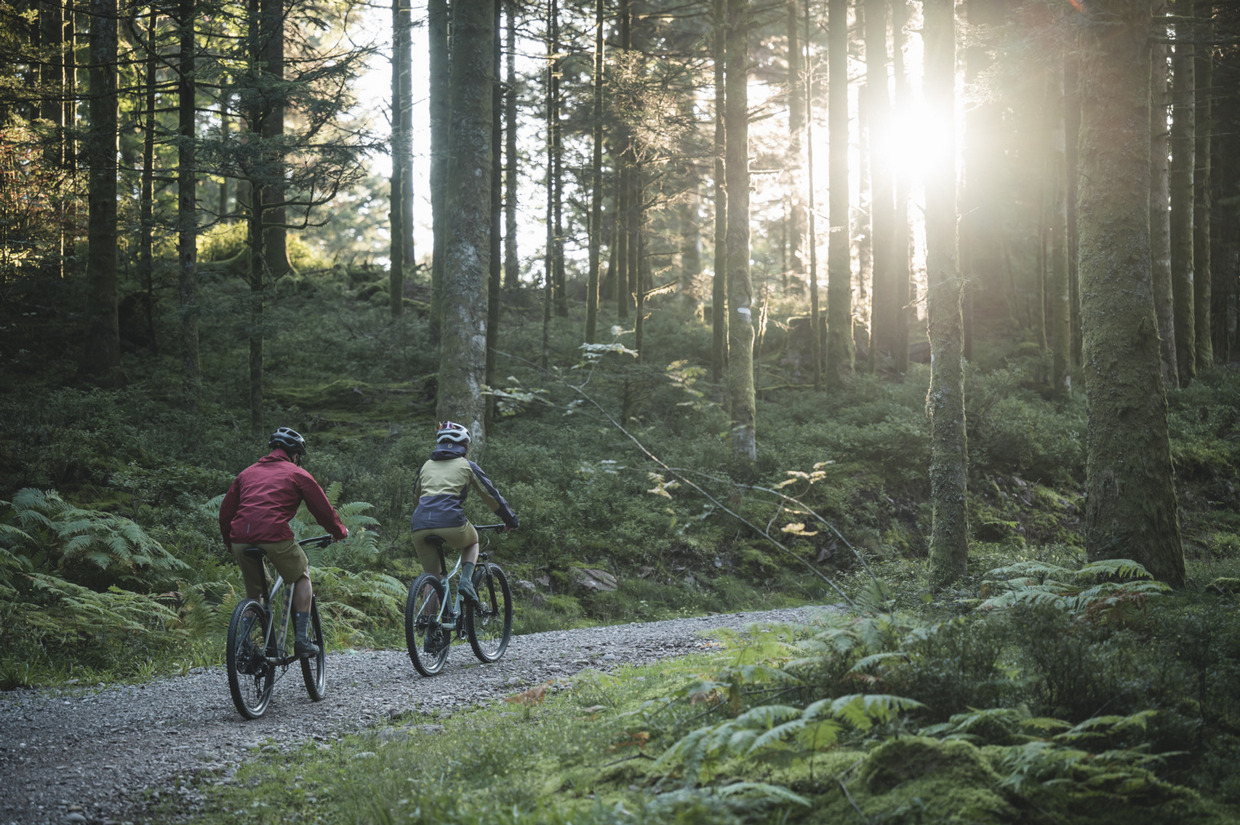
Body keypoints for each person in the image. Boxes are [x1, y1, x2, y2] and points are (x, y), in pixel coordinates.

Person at [219, 427, 348, 658]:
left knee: (255, 593)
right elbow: (322, 510)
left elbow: (226, 512)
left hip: (240, 537)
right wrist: (338, 531)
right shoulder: (297, 473)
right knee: (301, 575)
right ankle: (301, 640)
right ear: (295, 454)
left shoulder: (246, 473)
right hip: (274, 534)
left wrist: (230, 543)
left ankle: (243, 645)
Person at [410, 421, 518, 605]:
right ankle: (466, 582)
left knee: (432, 578)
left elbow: (416, 498)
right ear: (465, 445)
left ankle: (429, 628)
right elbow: (491, 496)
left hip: (419, 525)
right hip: (451, 522)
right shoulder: (467, 465)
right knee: (473, 540)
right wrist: (510, 520)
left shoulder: (426, 466)